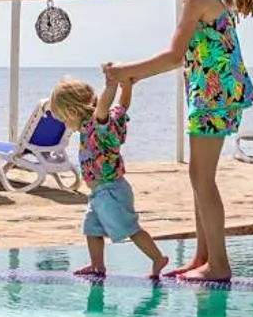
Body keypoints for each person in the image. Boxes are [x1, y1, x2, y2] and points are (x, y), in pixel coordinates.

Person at [105, 0, 253, 281]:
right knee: (198, 177)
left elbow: (174, 55)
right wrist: (136, 76)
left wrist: (124, 71)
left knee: (203, 178)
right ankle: (203, 257)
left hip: (212, 95)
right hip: (216, 92)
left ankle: (218, 265)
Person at [48, 72, 168, 280]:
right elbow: (123, 106)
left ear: (74, 110)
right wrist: (127, 86)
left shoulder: (99, 124)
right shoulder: (96, 124)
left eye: (64, 118)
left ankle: (157, 257)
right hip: (100, 192)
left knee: (130, 228)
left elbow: (104, 105)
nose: (65, 125)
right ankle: (97, 265)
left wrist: (111, 85)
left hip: (111, 190)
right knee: (91, 227)